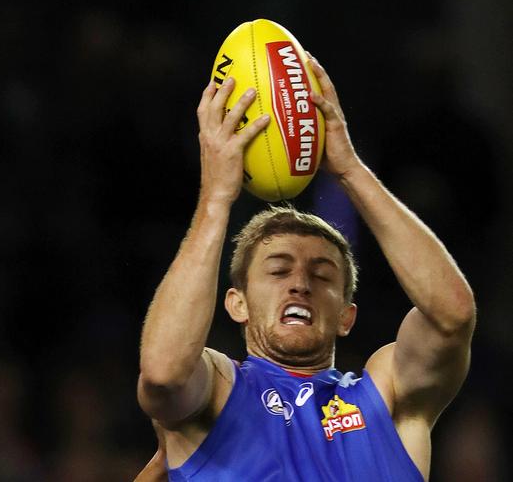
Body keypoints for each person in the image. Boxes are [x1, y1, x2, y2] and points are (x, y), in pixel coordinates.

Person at [136, 53, 476, 481]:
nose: (300, 283)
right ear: (236, 303)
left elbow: (452, 315)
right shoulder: (219, 391)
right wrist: (216, 198)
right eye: (278, 271)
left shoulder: (386, 398)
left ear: (347, 316)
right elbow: (163, 373)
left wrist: (349, 169)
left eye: (322, 275)